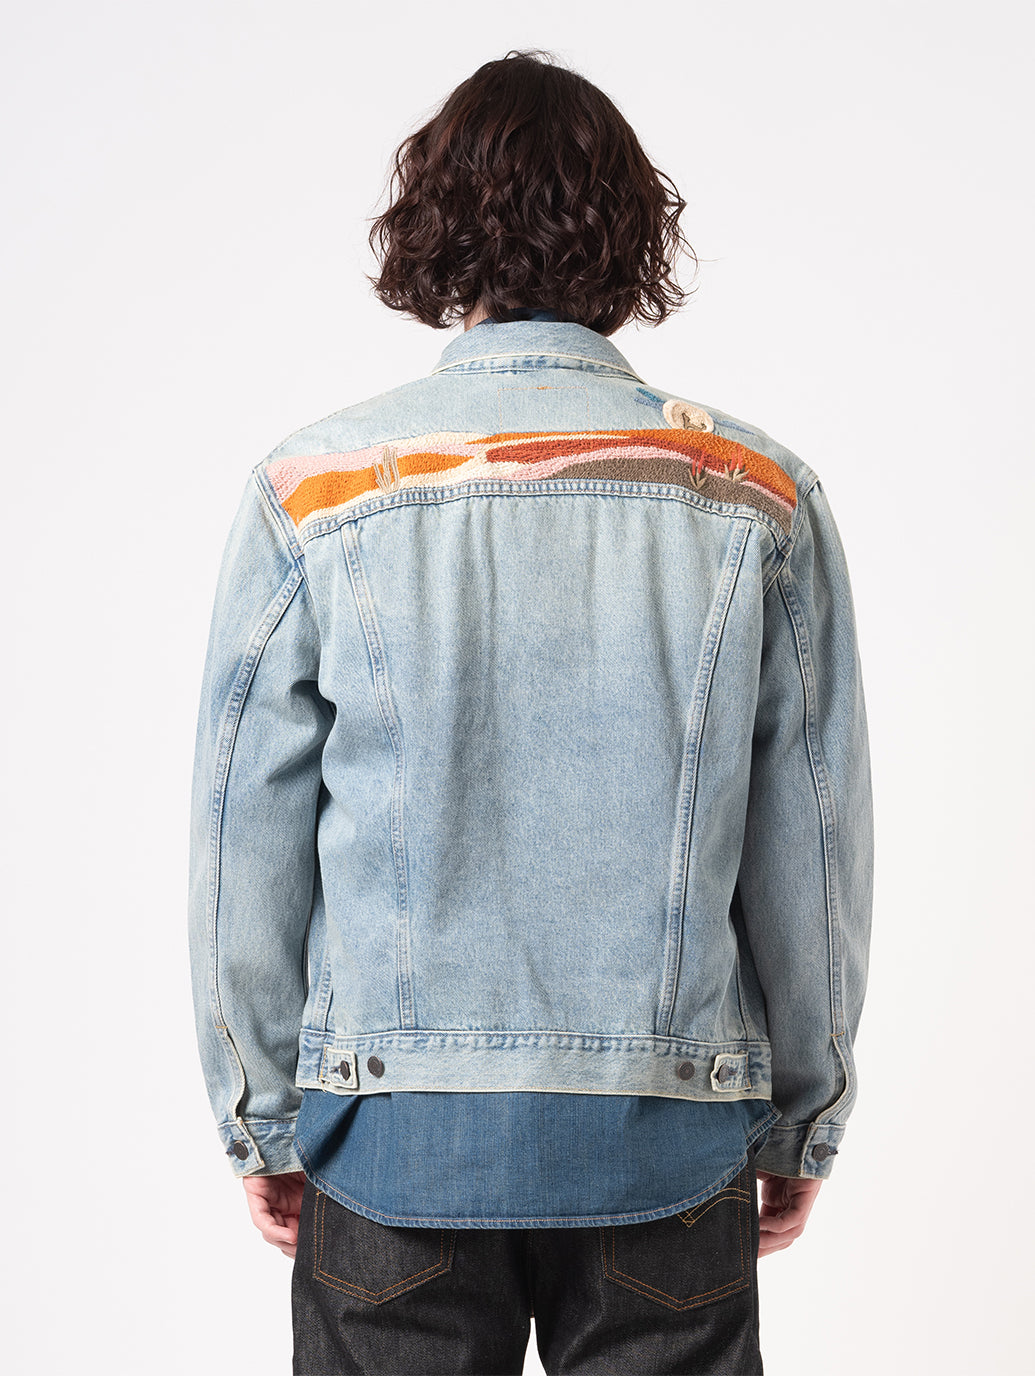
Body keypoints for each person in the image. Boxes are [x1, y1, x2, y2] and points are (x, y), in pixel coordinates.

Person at [188, 48, 873, 1376]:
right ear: (632, 232)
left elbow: (241, 831)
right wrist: (805, 1112)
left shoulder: (316, 491)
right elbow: (818, 839)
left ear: (436, 229)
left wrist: (260, 1112)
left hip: (390, 1142)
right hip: (668, 1138)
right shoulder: (755, 494)